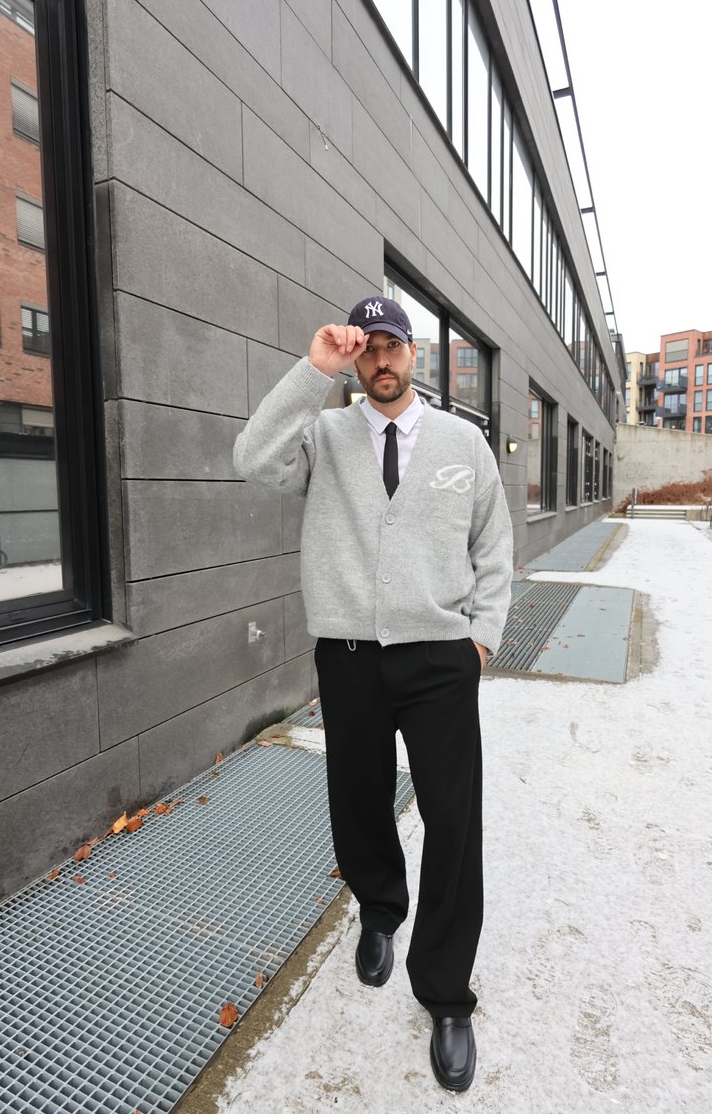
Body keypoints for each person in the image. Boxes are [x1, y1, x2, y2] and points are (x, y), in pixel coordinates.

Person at [233, 296, 513, 1092]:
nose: (381, 362)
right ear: (356, 361)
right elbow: (251, 456)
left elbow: (494, 543)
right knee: (356, 800)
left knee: (455, 818)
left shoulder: (464, 442)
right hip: (350, 655)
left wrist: (480, 638)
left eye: (392, 347)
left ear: (413, 354)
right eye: (367, 351)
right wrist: (312, 369)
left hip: (439, 660)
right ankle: (380, 910)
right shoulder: (322, 436)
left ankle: (447, 991)